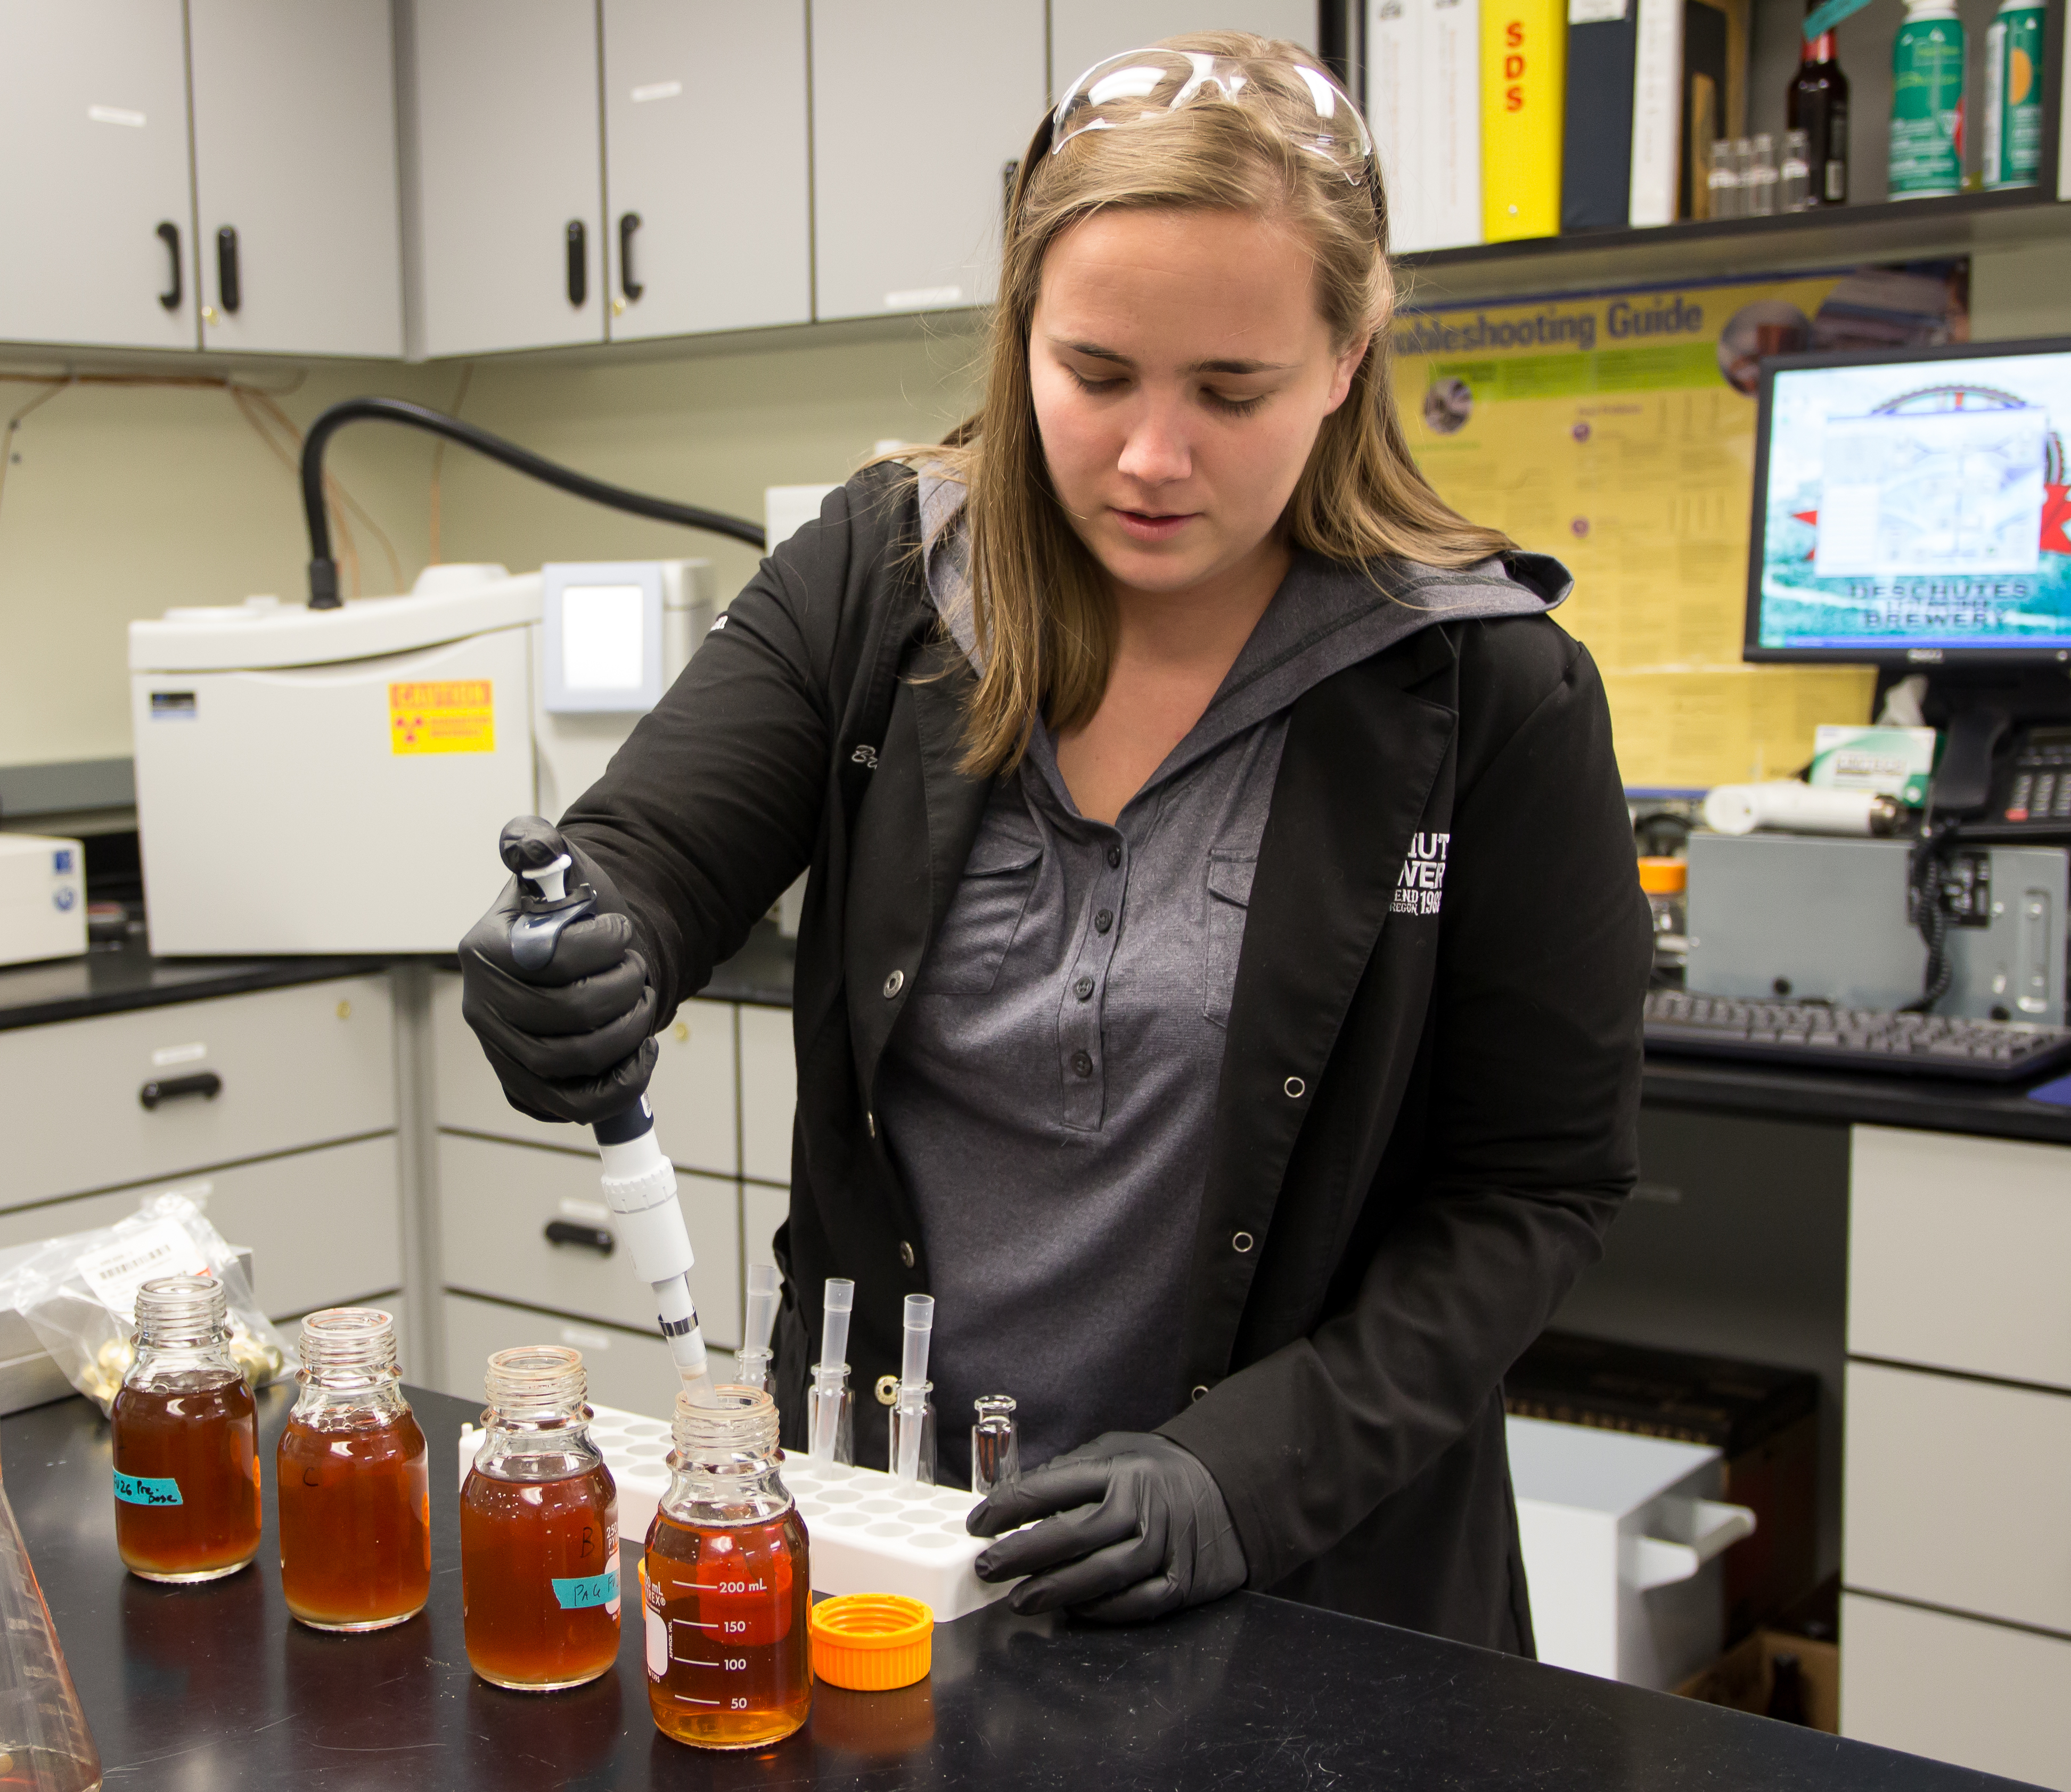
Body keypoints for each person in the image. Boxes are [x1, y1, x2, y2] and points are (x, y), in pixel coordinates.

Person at [458, 35, 1647, 1653]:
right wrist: (576, 957)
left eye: (1231, 391)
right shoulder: (884, 575)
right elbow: (651, 854)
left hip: (1302, 1580)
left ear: (1349, 355)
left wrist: (1244, 1474)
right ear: (1024, 330)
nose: (1153, 457)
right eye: (1095, 374)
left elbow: (1534, 1192)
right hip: (892, 1542)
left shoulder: (1483, 685)